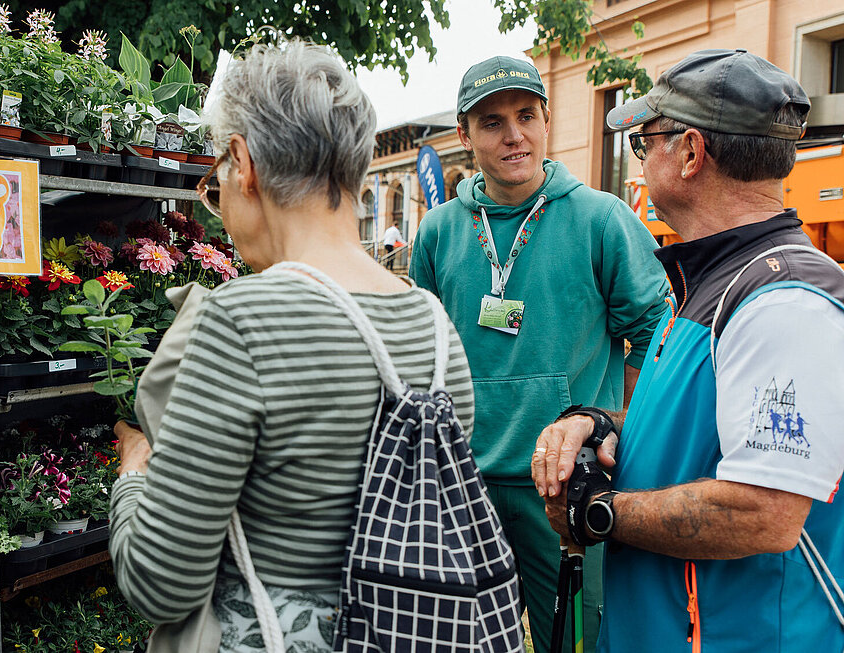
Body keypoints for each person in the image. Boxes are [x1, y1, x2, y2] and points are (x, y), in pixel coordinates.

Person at [108, 41, 478, 651]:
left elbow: (159, 584)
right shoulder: (437, 332)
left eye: (216, 180)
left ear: (242, 161)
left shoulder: (238, 322)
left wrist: (134, 470)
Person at [533, 49, 844, 652]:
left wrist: (602, 513)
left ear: (691, 152)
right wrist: (599, 427)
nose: (641, 159)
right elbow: (700, 434)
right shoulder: (718, 281)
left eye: (643, 140)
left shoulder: (783, 302)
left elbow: (766, 511)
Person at [408, 55, 670, 653]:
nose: (515, 135)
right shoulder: (439, 232)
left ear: (547, 120)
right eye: (493, 122)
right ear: (463, 135)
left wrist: (618, 431)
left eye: (527, 115)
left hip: (567, 488)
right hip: (463, 484)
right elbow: (421, 346)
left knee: (577, 639)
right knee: (461, 641)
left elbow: (655, 332)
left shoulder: (601, 218)